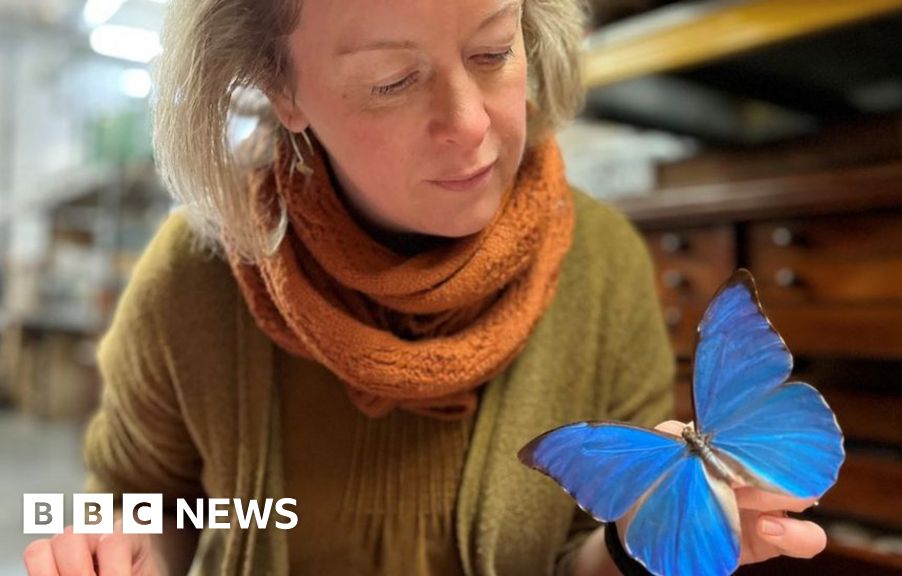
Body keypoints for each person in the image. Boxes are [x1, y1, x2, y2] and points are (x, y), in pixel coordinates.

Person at [23, 0, 827, 574]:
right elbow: (140, 494)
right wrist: (114, 546)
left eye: (492, 52)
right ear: (284, 93)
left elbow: (580, 555)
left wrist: (637, 541)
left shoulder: (604, 265)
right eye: (392, 81)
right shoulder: (197, 273)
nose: (470, 122)